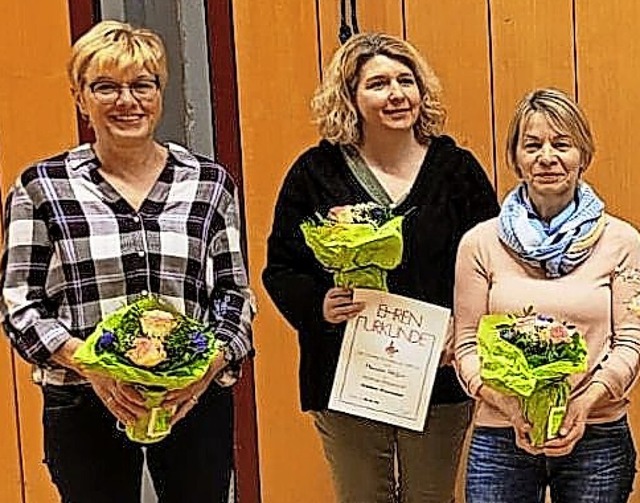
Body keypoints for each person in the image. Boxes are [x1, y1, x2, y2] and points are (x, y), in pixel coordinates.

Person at [0, 20, 254, 503]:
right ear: (80, 98)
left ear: (160, 94)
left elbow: (234, 296)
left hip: (192, 399)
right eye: (106, 87)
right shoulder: (41, 186)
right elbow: (19, 303)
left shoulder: (210, 183)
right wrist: (93, 367)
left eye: (142, 85)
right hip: (82, 397)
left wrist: (206, 368)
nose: (127, 101)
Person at [262, 32, 499, 503]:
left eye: (405, 81)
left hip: (439, 371)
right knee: (362, 496)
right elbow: (281, 266)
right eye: (378, 84)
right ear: (350, 97)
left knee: (430, 497)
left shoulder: (457, 171)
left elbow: (491, 265)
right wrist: (317, 304)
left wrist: (466, 331)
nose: (396, 94)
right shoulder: (316, 173)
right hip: (346, 372)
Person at [454, 87, 640, 502]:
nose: (547, 157)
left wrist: (584, 404)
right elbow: (466, 345)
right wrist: (508, 407)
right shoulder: (479, 243)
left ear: (583, 155)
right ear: (516, 158)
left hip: (597, 434)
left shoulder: (622, 241)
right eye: (532, 145)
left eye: (562, 144)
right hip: (501, 435)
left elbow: (631, 341)